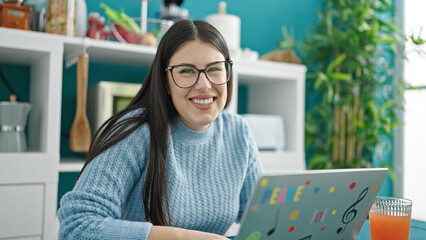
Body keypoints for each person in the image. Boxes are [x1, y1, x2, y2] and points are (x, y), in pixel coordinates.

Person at [58, 19, 263, 239]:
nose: (204, 85)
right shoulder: (135, 131)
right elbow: (76, 226)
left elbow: (261, 218)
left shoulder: (238, 132)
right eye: (186, 71)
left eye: (214, 69)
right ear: (165, 81)